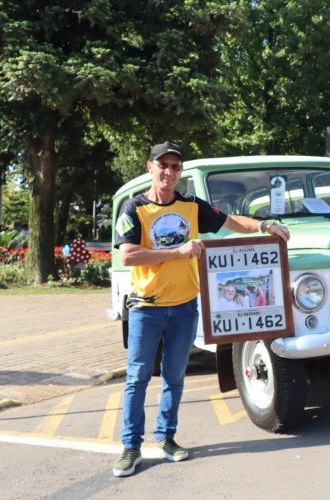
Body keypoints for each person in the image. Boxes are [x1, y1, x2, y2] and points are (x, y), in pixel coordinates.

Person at [112, 141, 289, 477]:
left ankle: (166, 438)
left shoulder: (192, 206)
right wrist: (179, 251)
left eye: (175, 166)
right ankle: (130, 447)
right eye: (162, 165)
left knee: (175, 377)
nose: (168, 172)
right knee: (136, 379)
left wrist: (265, 226)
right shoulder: (134, 209)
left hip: (183, 308)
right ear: (150, 167)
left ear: (180, 172)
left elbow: (229, 221)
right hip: (145, 308)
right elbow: (129, 255)